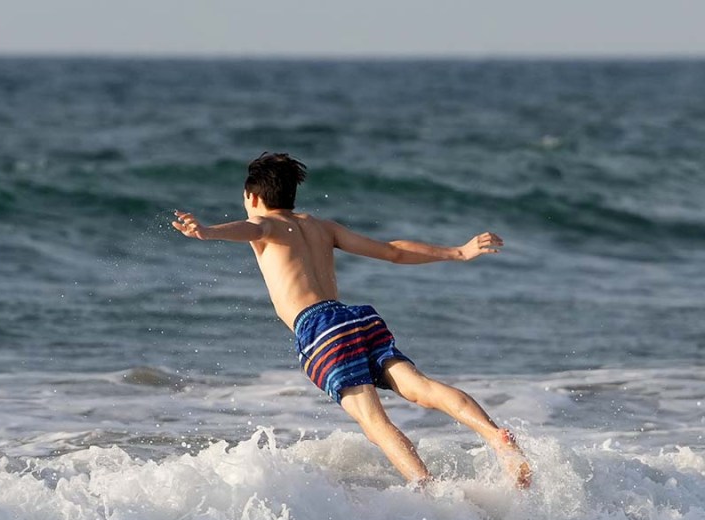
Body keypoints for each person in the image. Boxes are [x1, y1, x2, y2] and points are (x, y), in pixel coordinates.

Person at [172, 152, 532, 489]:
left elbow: (248, 230)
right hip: (353, 318)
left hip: (320, 328)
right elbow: (391, 251)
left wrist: (208, 231)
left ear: (251, 197)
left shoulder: (264, 225)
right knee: (420, 388)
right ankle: (495, 436)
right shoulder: (322, 227)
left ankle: (431, 493)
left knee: (376, 424)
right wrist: (458, 251)